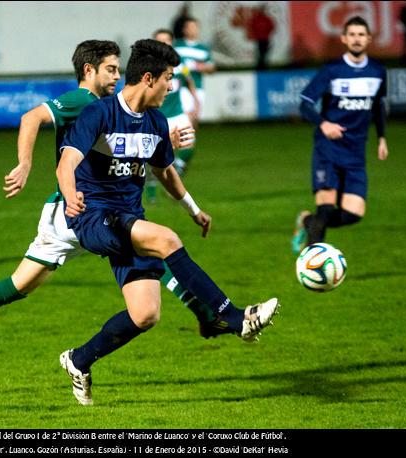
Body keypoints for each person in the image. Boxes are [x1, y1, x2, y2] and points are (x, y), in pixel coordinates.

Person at [0, 40, 216, 371]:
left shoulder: (116, 108)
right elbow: (31, 117)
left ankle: (205, 313)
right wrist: (25, 164)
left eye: (120, 69)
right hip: (73, 213)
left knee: (148, 252)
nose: (118, 75)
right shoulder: (83, 100)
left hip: (99, 211)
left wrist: (162, 143)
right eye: (111, 69)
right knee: (21, 285)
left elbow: (127, 155)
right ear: (89, 71)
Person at [56, 39, 280, 405]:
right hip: (94, 218)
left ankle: (79, 360)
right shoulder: (99, 114)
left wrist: (193, 208)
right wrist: (69, 195)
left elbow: (165, 171)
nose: (172, 86)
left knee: (145, 314)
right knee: (167, 240)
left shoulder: (156, 122)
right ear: (148, 78)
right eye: (168, 78)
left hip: (129, 219)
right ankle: (236, 318)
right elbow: (66, 163)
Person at [292, 16, 388, 254]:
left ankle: (305, 221)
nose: (356, 39)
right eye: (352, 34)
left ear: (368, 38)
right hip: (329, 149)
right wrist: (323, 123)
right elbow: (304, 104)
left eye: (361, 35)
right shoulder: (332, 71)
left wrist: (382, 138)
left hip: (355, 151)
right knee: (325, 210)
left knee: (352, 214)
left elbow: (378, 106)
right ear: (344, 38)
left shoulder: (377, 72)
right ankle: (312, 267)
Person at [148, 28, 198, 198]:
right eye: (160, 40)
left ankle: (176, 172)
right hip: (157, 115)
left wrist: (195, 102)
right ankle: (152, 188)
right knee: (150, 155)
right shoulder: (148, 64)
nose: (164, 43)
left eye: (167, 40)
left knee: (189, 144)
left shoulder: (179, 62)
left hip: (177, 113)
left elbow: (189, 80)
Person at [173, 17, 216, 174]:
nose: (193, 29)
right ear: (185, 29)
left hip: (198, 90)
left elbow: (212, 68)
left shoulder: (203, 49)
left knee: (193, 124)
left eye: (195, 26)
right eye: (190, 26)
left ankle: (180, 157)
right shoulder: (177, 46)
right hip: (182, 89)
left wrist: (198, 66)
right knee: (185, 122)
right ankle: (179, 161)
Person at [247, 4, 275, 70]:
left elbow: (272, 26)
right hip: (259, 39)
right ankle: (260, 65)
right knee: (259, 52)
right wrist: (255, 34)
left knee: (264, 52)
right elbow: (251, 26)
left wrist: (267, 33)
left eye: (262, 10)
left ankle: (264, 65)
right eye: (261, 10)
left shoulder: (267, 18)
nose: (262, 11)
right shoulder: (256, 18)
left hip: (265, 38)